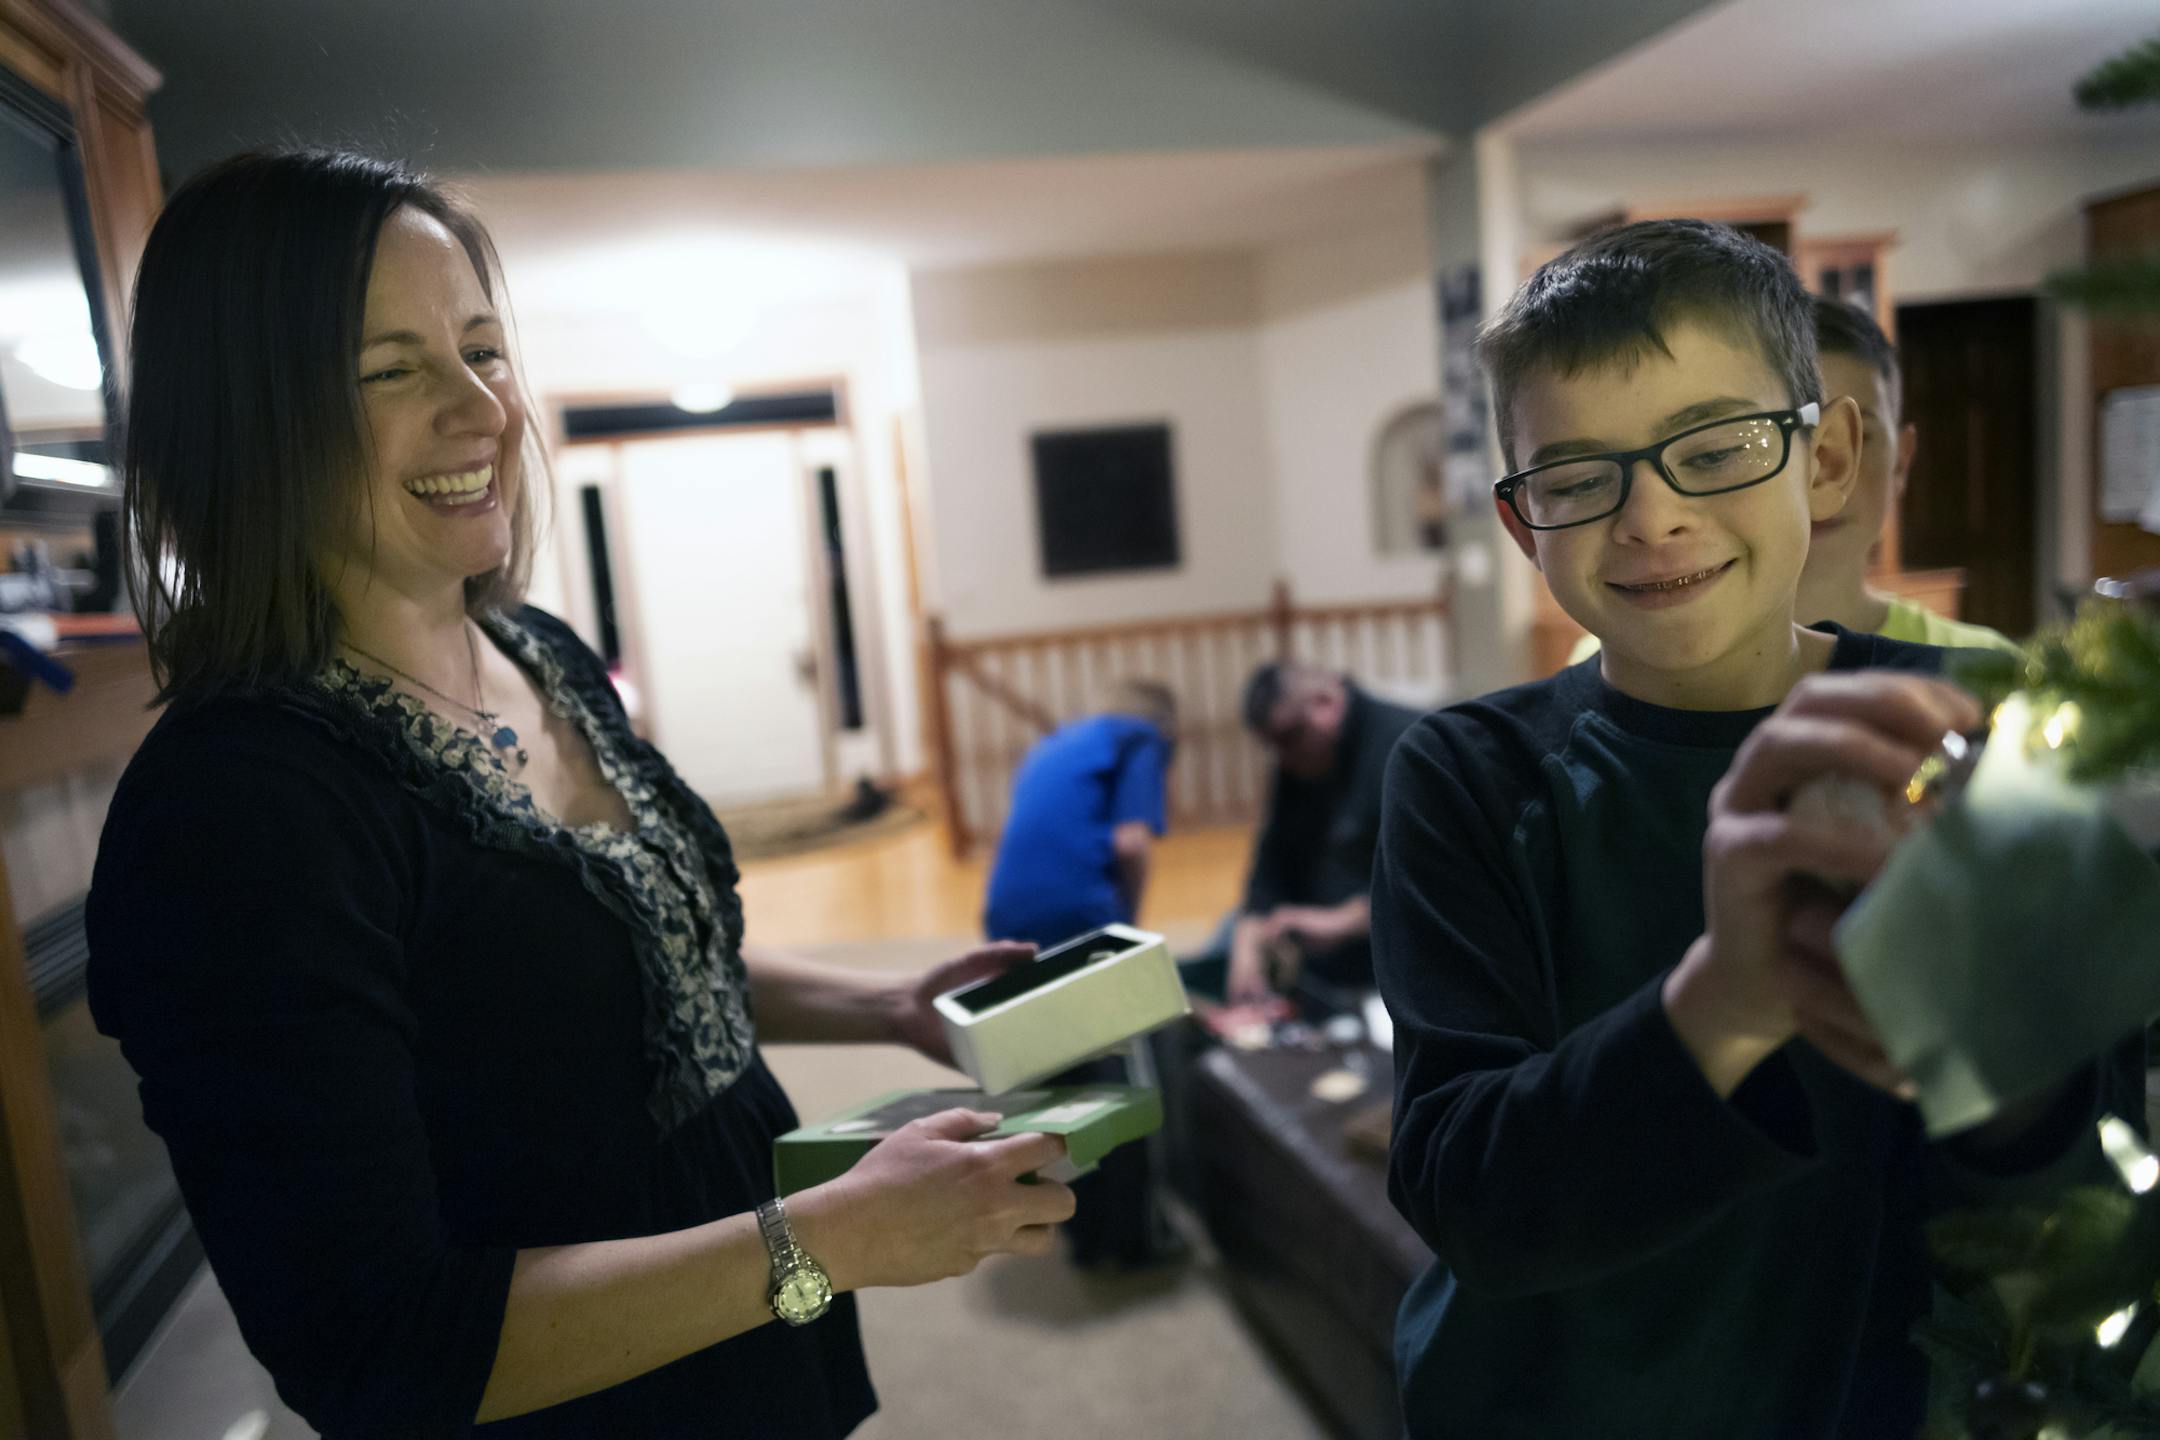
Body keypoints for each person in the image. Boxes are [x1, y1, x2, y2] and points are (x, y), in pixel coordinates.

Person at [84, 149, 1074, 1440]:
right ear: (245, 418)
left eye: (483, 351)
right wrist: (827, 1235)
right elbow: (382, 1348)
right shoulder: (237, 819)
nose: (483, 409)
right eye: (391, 371)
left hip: (755, 1359)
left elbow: (601, 959)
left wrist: (879, 1002)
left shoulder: (539, 650)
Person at [1373, 219, 2133, 1437]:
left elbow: (2063, 1200)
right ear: (1525, 525)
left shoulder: (1967, 738)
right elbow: (1471, 1203)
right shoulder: (1468, 776)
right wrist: (1725, 997)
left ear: (1826, 460)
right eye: (1576, 478)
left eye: (1716, 448)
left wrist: (1999, 1034)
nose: (1651, 518)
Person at [1569, 295, 2019, 666]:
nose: (1810, 474)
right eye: (1744, 444)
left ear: (1902, 461)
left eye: (1848, 443)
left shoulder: (1983, 668)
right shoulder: (1617, 665)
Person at [1217, 661, 1419, 1004]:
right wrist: (1248, 935)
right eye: (1274, 746)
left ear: (1326, 702)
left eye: (1289, 737)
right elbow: (1271, 858)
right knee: (1225, 939)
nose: (1283, 758)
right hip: (1309, 933)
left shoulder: (1405, 745)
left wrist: (1340, 921)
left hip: (1386, 945)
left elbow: (1422, 886)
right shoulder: (1297, 758)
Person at [982, 678, 1177, 947]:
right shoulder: (1142, 737)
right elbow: (1131, 843)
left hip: (1002, 917)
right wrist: (1131, 922)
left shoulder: (1050, 743)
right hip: (1078, 912)